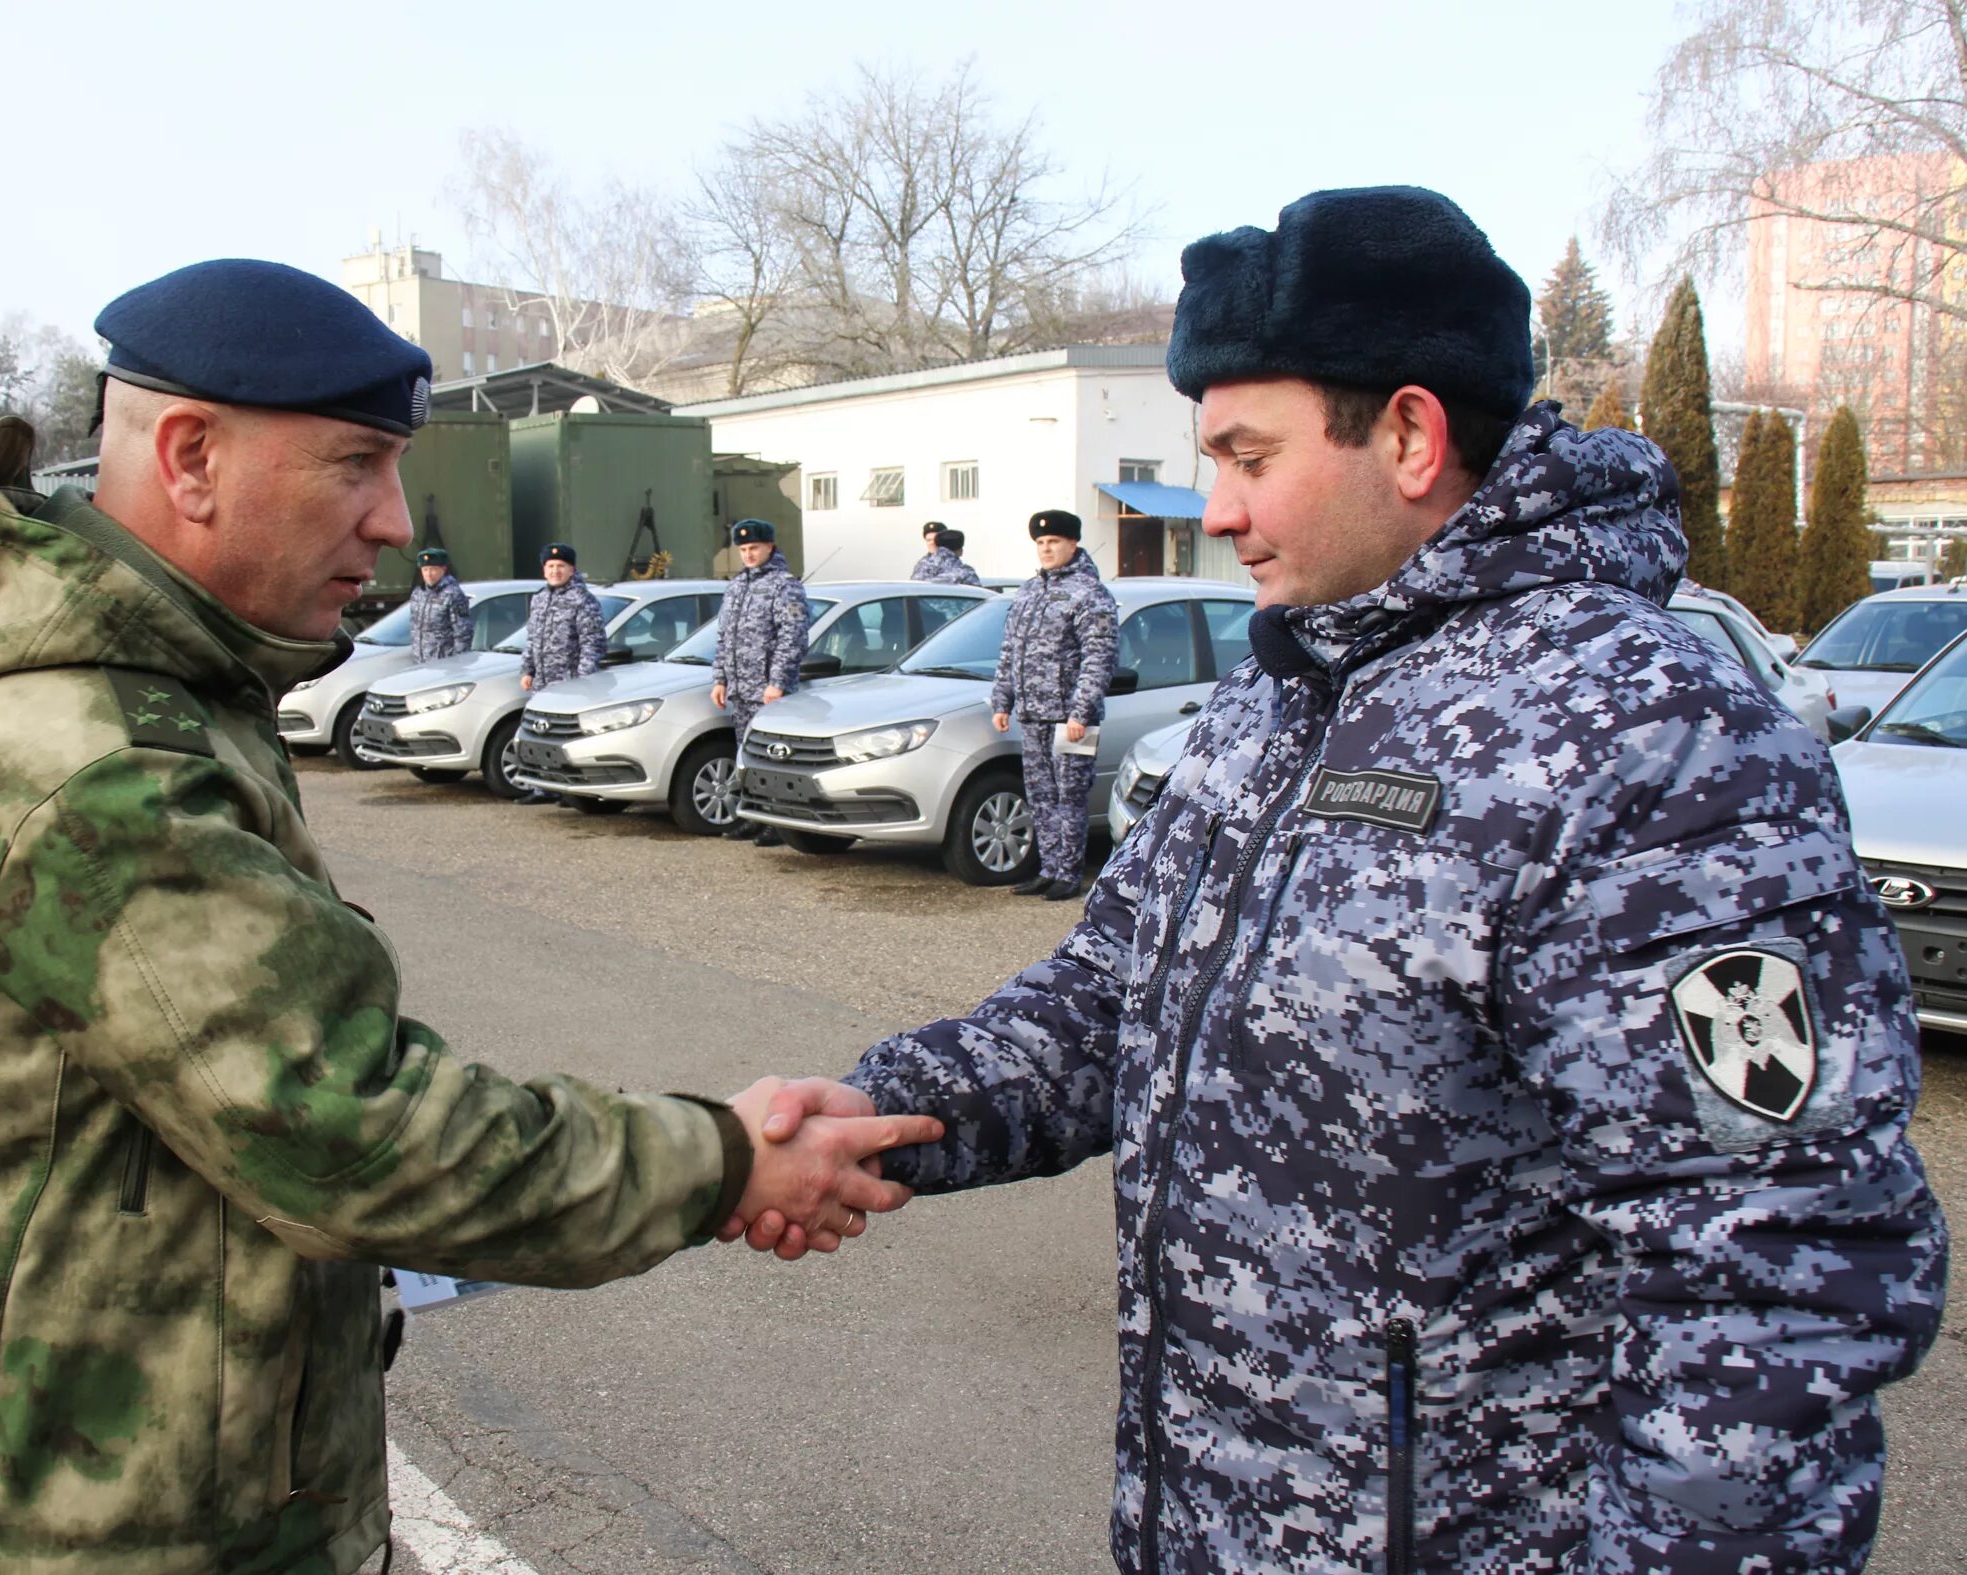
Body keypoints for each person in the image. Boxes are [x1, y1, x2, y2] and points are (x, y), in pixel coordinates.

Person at [738, 189, 1948, 1572]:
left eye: (1249, 455)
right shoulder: (1288, 689)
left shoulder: (1643, 740)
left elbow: (1769, 1274)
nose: (1219, 509)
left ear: (1413, 435)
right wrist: (885, 1112)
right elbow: (1106, 997)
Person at [0, 258, 938, 1575]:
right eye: (357, 463)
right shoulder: (96, 763)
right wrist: (720, 1159)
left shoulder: (157, 699)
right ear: (191, 456)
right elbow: (351, 1128)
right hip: (101, 1526)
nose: (392, 518)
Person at [991, 509, 1117, 901]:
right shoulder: (1029, 591)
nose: (1046, 549)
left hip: (1071, 719)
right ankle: (1048, 868)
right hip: (1033, 714)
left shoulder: (1090, 594)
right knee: (1041, 795)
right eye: (1041, 544)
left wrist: (1080, 712)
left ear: (1072, 543)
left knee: (1071, 795)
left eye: (1054, 543)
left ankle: (1069, 872)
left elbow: (1099, 658)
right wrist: (1003, 700)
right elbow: (1010, 650)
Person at [709, 518, 810, 846]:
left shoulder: (785, 585)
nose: (748, 554)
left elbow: (792, 637)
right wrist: (720, 678)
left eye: (754, 548)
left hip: (769, 690)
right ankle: (750, 816)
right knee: (745, 756)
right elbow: (725, 637)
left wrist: (777, 682)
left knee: (773, 757)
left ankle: (776, 823)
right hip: (741, 689)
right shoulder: (737, 586)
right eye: (743, 549)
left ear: (770, 547)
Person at [513, 542, 607, 804]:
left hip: (570, 682)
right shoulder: (540, 598)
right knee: (540, 735)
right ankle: (543, 788)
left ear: (572, 569)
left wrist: (583, 679)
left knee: (566, 739)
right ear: (544, 570)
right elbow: (532, 639)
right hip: (543, 682)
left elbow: (593, 643)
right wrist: (527, 670)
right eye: (550, 566)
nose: (555, 571)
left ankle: (569, 791)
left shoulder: (582, 600)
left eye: (560, 566)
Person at [406, 545, 470, 661]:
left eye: (433, 569)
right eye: (425, 570)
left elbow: (463, 632)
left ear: (443, 569)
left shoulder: (453, 594)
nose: (429, 574)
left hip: (444, 665)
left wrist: (459, 662)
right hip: (420, 662)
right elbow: (414, 628)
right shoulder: (418, 594)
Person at [911, 526, 982, 586]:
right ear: (960, 551)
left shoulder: (921, 565)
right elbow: (980, 598)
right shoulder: (965, 573)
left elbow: (912, 588)